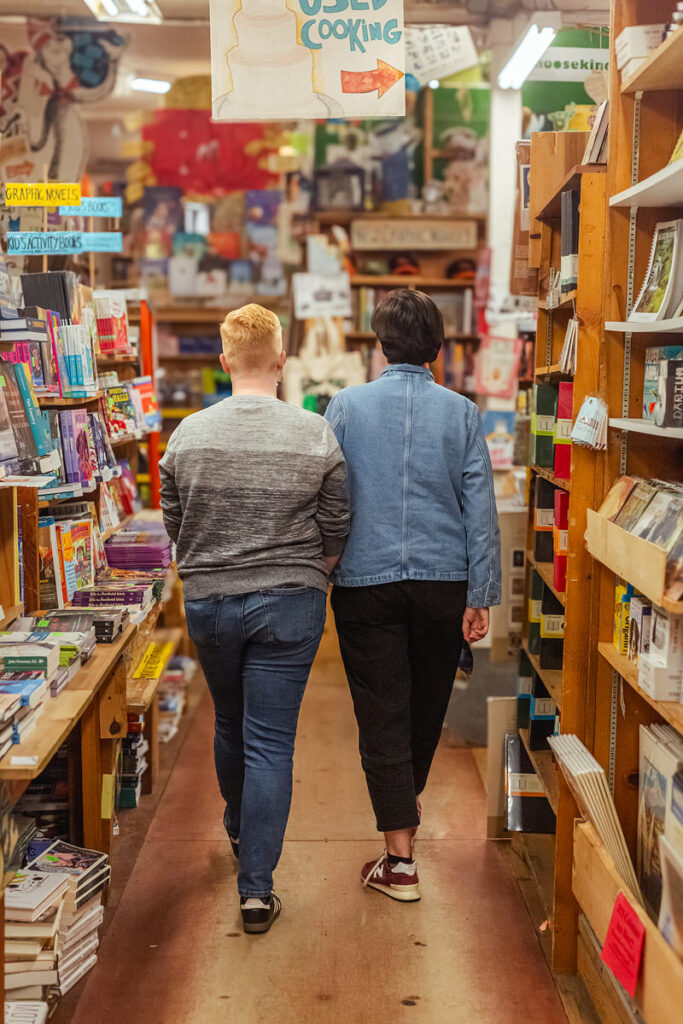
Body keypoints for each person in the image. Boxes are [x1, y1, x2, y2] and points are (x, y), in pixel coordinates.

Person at [160, 304, 350, 934]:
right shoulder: (314, 433)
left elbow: (174, 517)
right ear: (280, 362)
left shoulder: (188, 435)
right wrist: (317, 570)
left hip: (211, 600)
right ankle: (257, 890)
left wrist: (206, 561)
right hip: (291, 600)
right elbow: (337, 518)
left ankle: (242, 831)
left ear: (222, 363)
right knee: (271, 741)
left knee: (230, 722)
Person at [324, 289, 501, 904]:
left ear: (380, 344)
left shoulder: (345, 407)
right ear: (437, 348)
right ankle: (403, 811)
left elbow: (329, 496)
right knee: (427, 706)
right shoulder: (462, 413)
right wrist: (480, 592)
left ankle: (400, 860)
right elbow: (479, 509)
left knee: (381, 711)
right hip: (442, 581)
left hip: (363, 581)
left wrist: (324, 565)